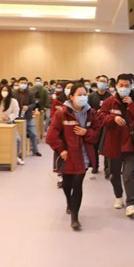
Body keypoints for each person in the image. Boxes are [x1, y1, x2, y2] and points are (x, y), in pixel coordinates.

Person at [46, 82, 101, 230]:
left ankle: (75, 217)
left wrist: (86, 132)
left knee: (77, 184)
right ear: (71, 97)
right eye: (79, 95)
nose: (83, 97)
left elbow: (97, 134)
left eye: (85, 94)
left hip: (83, 156)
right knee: (66, 184)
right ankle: (69, 203)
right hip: (67, 155)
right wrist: (61, 150)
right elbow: (51, 136)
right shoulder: (62, 113)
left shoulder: (91, 113)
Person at [97, 73, 134, 217]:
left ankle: (131, 203)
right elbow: (100, 117)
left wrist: (132, 104)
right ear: (116, 86)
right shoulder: (110, 101)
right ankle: (118, 196)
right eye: (121, 85)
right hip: (113, 144)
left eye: (127, 85)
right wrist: (113, 118)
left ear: (132, 86)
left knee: (128, 175)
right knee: (114, 175)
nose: (124, 88)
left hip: (130, 144)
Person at [0, 84, 24, 165]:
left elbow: (16, 112)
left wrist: (9, 117)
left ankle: (16, 156)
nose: (4, 92)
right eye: (3, 90)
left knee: (17, 140)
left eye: (6, 90)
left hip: (9, 124)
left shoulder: (13, 101)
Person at [89, 74, 113, 176]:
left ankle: (107, 168)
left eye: (104, 81)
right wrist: (95, 112)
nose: (102, 83)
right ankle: (95, 166)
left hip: (106, 124)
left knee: (106, 146)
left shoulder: (110, 97)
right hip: (95, 125)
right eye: (100, 81)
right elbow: (87, 109)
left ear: (107, 84)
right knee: (94, 146)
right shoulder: (91, 96)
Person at [14, 77, 41, 157]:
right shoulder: (14, 93)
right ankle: (19, 151)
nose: (23, 84)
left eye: (25, 83)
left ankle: (35, 150)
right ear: (18, 83)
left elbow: (33, 103)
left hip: (28, 116)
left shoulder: (30, 93)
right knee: (19, 135)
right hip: (17, 117)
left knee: (33, 133)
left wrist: (28, 107)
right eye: (22, 83)